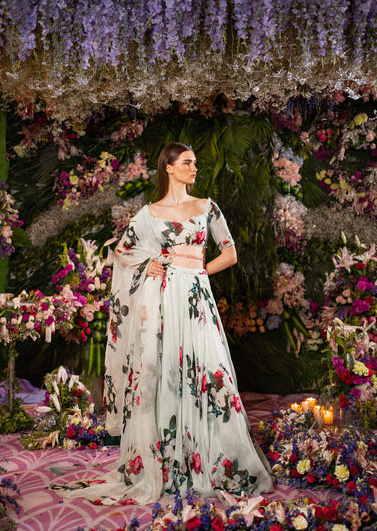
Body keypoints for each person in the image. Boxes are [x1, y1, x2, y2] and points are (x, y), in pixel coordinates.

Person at [57, 142, 273, 505]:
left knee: (208, 369)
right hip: (162, 301)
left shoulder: (207, 207)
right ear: (169, 168)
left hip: (196, 299)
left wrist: (198, 272)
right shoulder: (149, 214)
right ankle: (168, 463)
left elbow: (230, 253)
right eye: (187, 162)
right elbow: (122, 252)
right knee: (167, 371)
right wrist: (149, 265)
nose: (194, 168)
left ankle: (212, 460)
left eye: (195, 162)